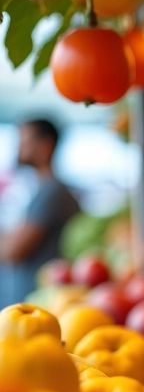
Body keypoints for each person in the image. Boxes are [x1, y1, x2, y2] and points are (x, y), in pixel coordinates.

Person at [0, 119, 80, 304]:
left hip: (36, 304)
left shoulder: (53, 193)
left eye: (24, 140)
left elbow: (14, 250)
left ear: (45, 145)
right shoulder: (43, 190)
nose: (18, 147)